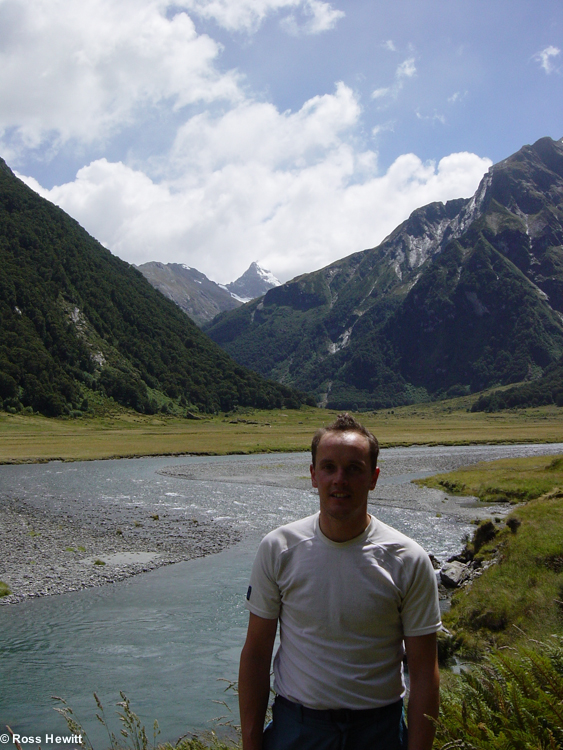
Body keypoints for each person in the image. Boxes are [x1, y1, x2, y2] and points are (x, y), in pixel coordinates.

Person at [238, 413, 441, 750]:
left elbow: (424, 673)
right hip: (298, 729)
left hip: (379, 732)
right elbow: (256, 655)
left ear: (373, 478)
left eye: (354, 469)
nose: (339, 480)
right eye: (329, 467)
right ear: (313, 475)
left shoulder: (408, 559)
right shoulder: (279, 548)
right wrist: (251, 743)